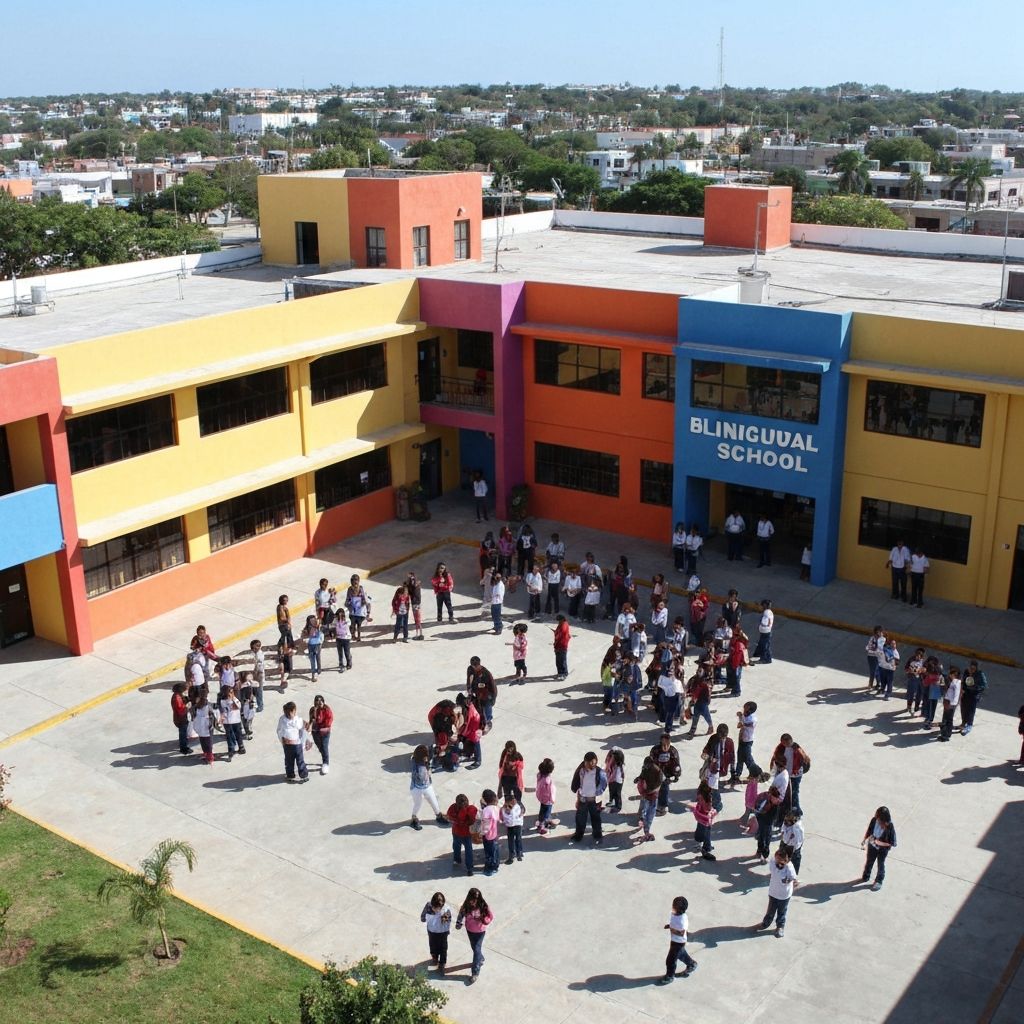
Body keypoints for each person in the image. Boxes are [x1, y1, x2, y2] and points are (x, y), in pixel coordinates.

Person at [756, 848, 799, 938]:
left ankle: (780, 927)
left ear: (785, 860)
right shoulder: (773, 862)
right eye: (776, 858)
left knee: (782, 911)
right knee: (770, 909)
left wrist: (786, 880)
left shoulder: (789, 867)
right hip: (773, 892)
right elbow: (772, 870)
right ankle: (766, 922)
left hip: (784, 895)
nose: (777, 861)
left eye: (780, 859)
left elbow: (793, 878)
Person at [455, 888, 493, 983]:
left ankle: (475, 972)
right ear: (469, 898)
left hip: (480, 931)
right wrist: (458, 924)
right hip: (470, 930)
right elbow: (461, 915)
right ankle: (480, 958)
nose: (474, 902)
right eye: (473, 900)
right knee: (474, 948)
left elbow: (490, 916)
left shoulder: (483, 905)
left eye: (476, 900)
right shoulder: (466, 906)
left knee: (476, 949)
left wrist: (485, 920)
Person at [569, 751, 607, 845]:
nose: (591, 766)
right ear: (585, 762)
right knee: (580, 818)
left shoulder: (600, 772)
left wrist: (597, 794)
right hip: (582, 799)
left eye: (593, 763)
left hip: (594, 800)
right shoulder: (581, 770)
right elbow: (576, 781)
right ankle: (579, 834)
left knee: (596, 818)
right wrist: (577, 794)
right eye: (589, 764)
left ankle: (597, 833)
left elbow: (604, 784)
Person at [659, 895, 698, 984]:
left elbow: (681, 932)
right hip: (674, 941)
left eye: (674, 906)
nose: (672, 907)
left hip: (679, 942)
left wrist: (672, 929)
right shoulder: (674, 914)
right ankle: (691, 964)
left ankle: (670, 976)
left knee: (670, 960)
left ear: (678, 909)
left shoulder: (682, 920)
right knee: (681, 954)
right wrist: (670, 926)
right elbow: (673, 923)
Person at [410, 744, 446, 829]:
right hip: (418, 788)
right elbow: (421, 781)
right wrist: (429, 771)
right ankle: (414, 819)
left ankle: (438, 815)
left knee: (434, 801)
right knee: (418, 804)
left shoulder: (415, 758)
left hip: (425, 786)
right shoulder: (420, 768)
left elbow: (429, 752)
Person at [861, 806, 897, 891]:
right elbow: (869, 830)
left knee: (880, 864)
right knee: (869, 861)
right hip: (872, 845)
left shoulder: (889, 826)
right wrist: (864, 839)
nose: (877, 820)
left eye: (879, 819)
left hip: (882, 849)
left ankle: (879, 880)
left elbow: (893, 843)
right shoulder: (874, 820)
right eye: (877, 817)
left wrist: (880, 843)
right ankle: (866, 875)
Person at [276, 701, 309, 782]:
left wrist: (303, 742)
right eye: (286, 712)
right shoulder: (282, 719)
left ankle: (303, 775)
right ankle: (290, 775)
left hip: (297, 744)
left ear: (294, 711)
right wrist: (282, 740)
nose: (288, 714)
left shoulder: (297, 720)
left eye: (290, 712)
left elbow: (303, 728)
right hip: (287, 745)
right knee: (288, 761)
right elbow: (279, 730)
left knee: (300, 760)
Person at [420, 892, 452, 975]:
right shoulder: (428, 906)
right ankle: (434, 957)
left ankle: (442, 963)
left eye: (439, 908)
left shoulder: (446, 909)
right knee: (433, 945)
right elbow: (422, 917)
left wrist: (444, 918)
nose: (437, 910)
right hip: (432, 931)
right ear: (432, 904)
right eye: (435, 908)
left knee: (443, 948)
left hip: (443, 932)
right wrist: (427, 917)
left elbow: (449, 920)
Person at [446, 794, 477, 875]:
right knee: (468, 851)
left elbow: (449, 817)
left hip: (456, 832)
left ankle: (457, 860)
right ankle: (469, 868)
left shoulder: (452, 808)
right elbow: (472, 820)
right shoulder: (471, 809)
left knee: (456, 846)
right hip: (466, 834)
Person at [651, 734, 681, 817]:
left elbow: (677, 764)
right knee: (654, 789)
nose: (666, 747)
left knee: (664, 789)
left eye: (668, 745)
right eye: (664, 745)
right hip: (656, 774)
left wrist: (676, 775)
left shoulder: (673, 751)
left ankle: (663, 806)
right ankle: (651, 804)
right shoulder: (655, 750)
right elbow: (650, 762)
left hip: (667, 775)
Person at [732, 702, 762, 782]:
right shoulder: (745, 715)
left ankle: (757, 773)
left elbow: (741, 725)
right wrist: (741, 716)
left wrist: (740, 717)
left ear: (750, 711)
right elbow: (742, 722)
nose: (744, 710)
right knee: (740, 757)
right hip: (742, 740)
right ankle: (737, 774)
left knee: (748, 760)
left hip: (747, 742)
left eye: (745, 709)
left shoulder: (752, 720)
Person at [635, 758, 663, 842]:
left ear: (651, 764)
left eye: (646, 765)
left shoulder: (658, 772)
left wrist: (650, 791)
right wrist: (638, 778)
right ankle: (641, 818)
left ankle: (647, 829)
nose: (645, 767)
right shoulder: (645, 768)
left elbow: (658, 785)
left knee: (650, 813)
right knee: (643, 806)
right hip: (645, 793)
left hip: (653, 795)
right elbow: (642, 775)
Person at [466, 658, 497, 730]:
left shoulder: (486, 673)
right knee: (477, 708)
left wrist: (492, 698)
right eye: (474, 666)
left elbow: (493, 687)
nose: (475, 668)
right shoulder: (470, 669)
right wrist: (469, 688)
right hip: (477, 694)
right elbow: (469, 680)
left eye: (476, 666)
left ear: (479, 664)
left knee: (487, 708)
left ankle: (488, 722)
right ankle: (480, 720)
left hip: (487, 695)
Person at [960, 659, 987, 735]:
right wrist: (962, 689)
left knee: (971, 710)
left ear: (976, 668)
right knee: (963, 709)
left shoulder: (980, 674)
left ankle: (969, 725)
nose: (972, 670)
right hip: (965, 693)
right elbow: (963, 680)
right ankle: (963, 723)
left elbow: (984, 685)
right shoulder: (966, 671)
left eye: (974, 668)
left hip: (974, 695)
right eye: (971, 668)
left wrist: (975, 687)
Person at [308, 694, 333, 775]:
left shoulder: (327, 710)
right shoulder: (313, 709)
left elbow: (328, 723)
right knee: (320, 747)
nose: (319, 705)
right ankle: (325, 756)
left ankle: (325, 763)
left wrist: (320, 728)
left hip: (324, 732)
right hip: (315, 732)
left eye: (320, 703)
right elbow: (311, 720)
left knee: (324, 747)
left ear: (323, 702)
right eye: (317, 703)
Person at [219, 685, 246, 761]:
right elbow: (225, 710)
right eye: (230, 692)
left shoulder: (235, 699)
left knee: (238, 734)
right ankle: (231, 749)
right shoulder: (222, 701)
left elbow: (238, 706)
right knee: (230, 736)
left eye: (232, 691)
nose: (231, 693)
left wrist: (233, 698)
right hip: (228, 722)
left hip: (236, 720)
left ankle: (241, 747)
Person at [692, 781, 718, 861]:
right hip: (705, 818)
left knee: (700, 829)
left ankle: (700, 844)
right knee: (707, 832)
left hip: (699, 815)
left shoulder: (700, 794)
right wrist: (714, 810)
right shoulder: (708, 797)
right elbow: (708, 808)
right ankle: (706, 849)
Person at [456, 693, 483, 769]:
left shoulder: (467, 708)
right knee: (469, 741)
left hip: (474, 727)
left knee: (476, 742)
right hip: (472, 726)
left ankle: (478, 760)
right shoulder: (466, 705)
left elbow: (468, 720)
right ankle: (469, 753)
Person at [479, 789, 501, 876]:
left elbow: (486, 826)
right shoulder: (496, 808)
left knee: (489, 853)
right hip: (495, 834)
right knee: (495, 851)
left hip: (488, 836)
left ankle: (489, 869)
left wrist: (481, 833)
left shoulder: (486, 811)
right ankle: (496, 866)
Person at [939, 665, 962, 741]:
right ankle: (947, 734)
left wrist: (950, 704)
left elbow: (955, 695)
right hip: (950, 703)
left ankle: (945, 735)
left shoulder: (956, 683)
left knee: (947, 719)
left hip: (950, 704)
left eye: (951, 674)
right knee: (948, 719)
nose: (950, 675)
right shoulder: (955, 682)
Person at [345, 574, 372, 641]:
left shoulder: (361, 589)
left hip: (360, 611)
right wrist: (348, 604)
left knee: (359, 625)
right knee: (353, 624)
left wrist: (363, 603)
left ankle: (359, 636)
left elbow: (365, 600)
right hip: (353, 611)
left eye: (356, 581)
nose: (355, 583)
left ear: (358, 581)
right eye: (353, 582)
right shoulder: (349, 589)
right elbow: (348, 599)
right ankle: (353, 635)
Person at [191, 691, 215, 765]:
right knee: (209, 741)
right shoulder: (208, 705)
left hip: (199, 725)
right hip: (207, 725)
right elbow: (213, 714)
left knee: (202, 740)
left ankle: (205, 753)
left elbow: (192, 713)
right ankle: (210, 757)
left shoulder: (196, 706)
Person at [500, 794, 525, 864]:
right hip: (510, 826)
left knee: (518, 839)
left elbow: (523, 809)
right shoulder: (505, 808)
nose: (514, 802)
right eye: (512, 801)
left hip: (518, 825)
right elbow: (505, 817)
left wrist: (522, 812)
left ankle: (519, 853)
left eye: (515, 800)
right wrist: (508, 811)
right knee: (510, 841)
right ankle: (511, 856)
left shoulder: (519, 804)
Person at [535, 758, 557, 834]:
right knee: (545, 813)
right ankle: (541, 826)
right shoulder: (548, 780)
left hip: (542, 798)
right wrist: (552, 800)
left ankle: (543, 821)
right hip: (547, 800)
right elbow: (550, 792)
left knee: (542, 811)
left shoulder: (540, 775)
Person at [276, 595, 293, 686]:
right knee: (285, 639)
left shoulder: (281, 607)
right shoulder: (282, 608)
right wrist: (288, 620)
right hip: (283, 626)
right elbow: (283, 618)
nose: (287, 601)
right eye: (285, 600)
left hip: (284, 627)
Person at [780, 810, 805, 874]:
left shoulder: (797, 827)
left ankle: (794, 876)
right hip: (785, 843)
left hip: (793, 846)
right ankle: (782, 871)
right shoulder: (786, 822)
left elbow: (798, 840)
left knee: (794, 861)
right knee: (782, 857)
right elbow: (783, 828)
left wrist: (794, 849)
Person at [170, 683, 192, 755]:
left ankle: (184, 743)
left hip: (181, 718)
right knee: (183, 733)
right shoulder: (177, 698)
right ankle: (183, 748)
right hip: (180, 719)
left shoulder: (178, 695)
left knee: (184, 732)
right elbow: (181, 710)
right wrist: (187, 707)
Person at [301, 614, 324, 679]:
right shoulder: (307, 629)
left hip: (317, 644)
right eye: (312, 620)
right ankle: (313, 673)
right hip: (311, 645)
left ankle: (319, 669)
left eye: (314, 620)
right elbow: (303, 637)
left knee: (318, 657)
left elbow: (321, 635)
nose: (314, 621)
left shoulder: (318, 627)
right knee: (312, 659)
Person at [604, 747, 625, 813]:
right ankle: (612, 802)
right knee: (612, 792)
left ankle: (618, 806)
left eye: (613, 758)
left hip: (617, 783)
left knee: (617, 794)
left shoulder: (619, 767)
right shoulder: (615, 764)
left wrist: (608, 779)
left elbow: (614, 777)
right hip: (612, 781)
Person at [753, 600, 774, 664]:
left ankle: (765, 659)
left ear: (765, 605)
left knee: (764, 646)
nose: (761, 607)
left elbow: (764, 622)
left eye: (762, 605)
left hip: (765, 632)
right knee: (765, 645)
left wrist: (761, 623)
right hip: (767, 632)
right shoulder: (769, 612)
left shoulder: (766, 613)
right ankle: (766, 657)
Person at [405, 571, 424, 640]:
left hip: (415, 603)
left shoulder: (414, 584)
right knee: (417, 619)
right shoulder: (416, 584)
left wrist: (407, 585)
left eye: (410, 577)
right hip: (416, 603)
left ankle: (419, 634)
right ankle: (420, 634)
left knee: (417, 619)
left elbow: (411, 590)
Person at [865, 626, 885, 690]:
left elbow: (881, 649)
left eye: (880, 632)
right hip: (871, 657)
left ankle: (878, 683)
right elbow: (868, 647)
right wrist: (870, 650)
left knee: (878, 671)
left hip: (879, 657)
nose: (879, 633)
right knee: (872, 671)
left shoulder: (883, 639)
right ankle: (870, 684)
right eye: (877, 632)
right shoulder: (872, 638)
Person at [553, 614, 571, 681]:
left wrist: (556, 633)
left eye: (559, 621)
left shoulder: (563, 625)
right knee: (559, 660)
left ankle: (564, 673)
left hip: (561, 646)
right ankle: (560, 673)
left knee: (561, 660)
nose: (558, 622)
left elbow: (560, 634)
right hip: (560, 645)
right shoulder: (564, 624)